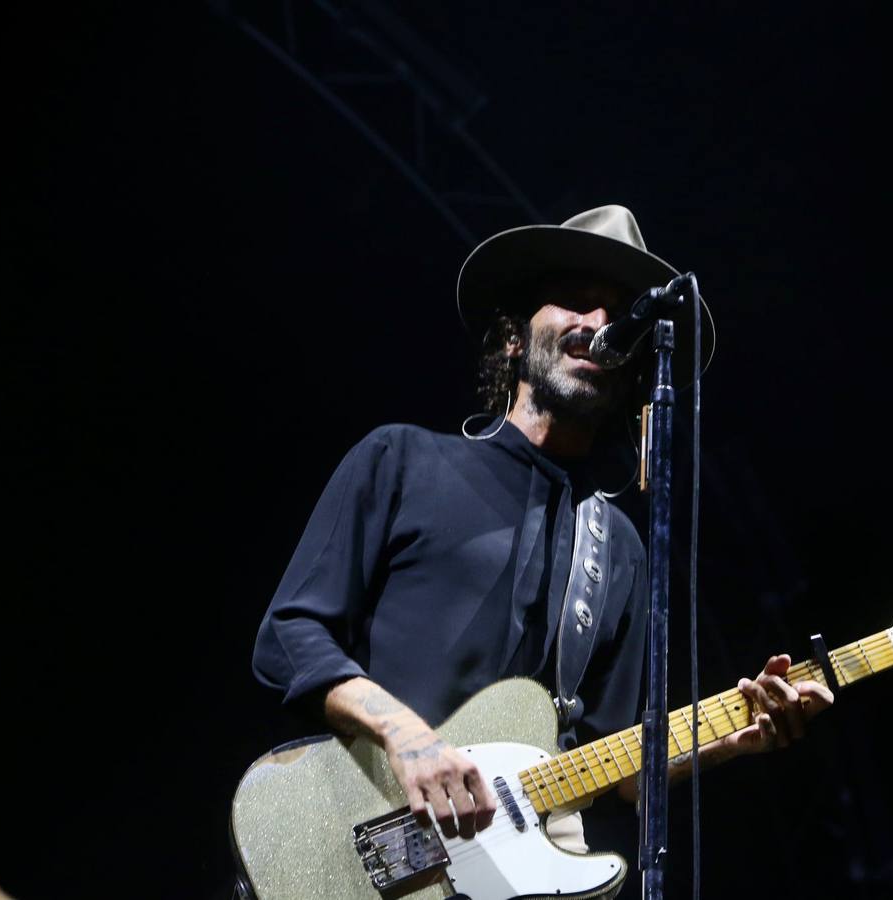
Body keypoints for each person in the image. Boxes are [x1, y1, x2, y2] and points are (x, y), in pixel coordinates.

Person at [251, 205, 834, 859]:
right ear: (512, 338)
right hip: (358, 843)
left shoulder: (617, 547)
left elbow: (609, 764)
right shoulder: (402, 460)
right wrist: (408, 737)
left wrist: (732, 740)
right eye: (576, 302)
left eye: (619, 318)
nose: (598, 326)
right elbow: (287, 637)